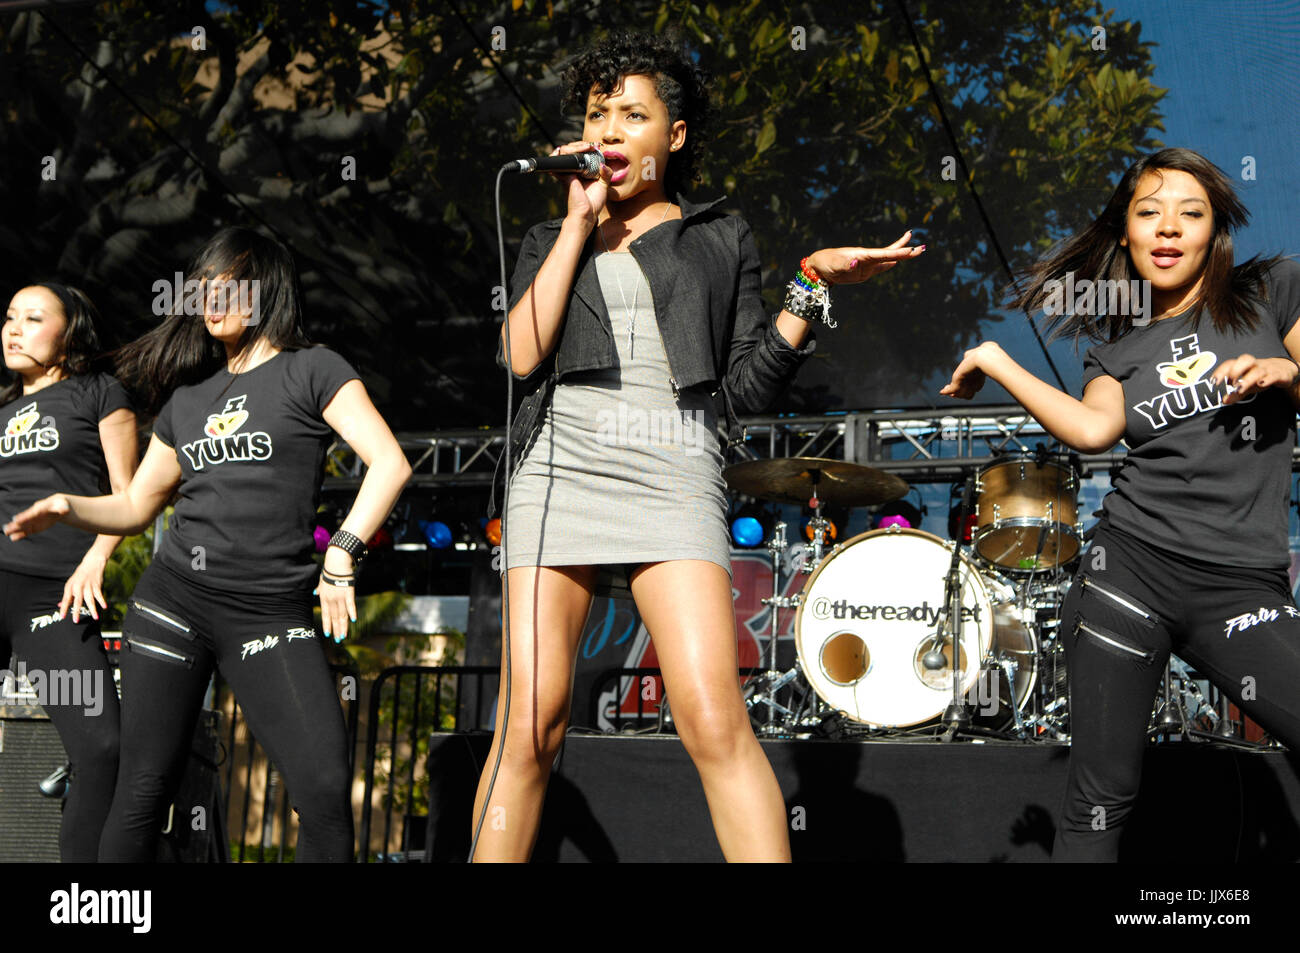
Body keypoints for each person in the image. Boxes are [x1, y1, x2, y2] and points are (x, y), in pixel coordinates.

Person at [476, 31, 924, 862]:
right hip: (557, 475)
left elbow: (746, 391)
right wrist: (578, 225)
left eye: (631, 115)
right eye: (596, 114)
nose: (608, 130)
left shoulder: (720, 237)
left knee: (713, 719)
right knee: (529, 724)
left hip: (675, 474)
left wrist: (812, 286)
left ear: (672, 137)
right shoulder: (550, 236)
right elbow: (519, 354)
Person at [6, 228, 412, 861]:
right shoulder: (186, 401)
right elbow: (137, 505)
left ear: (267, 288)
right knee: (142, 789)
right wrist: (68, 506)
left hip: (268, 610)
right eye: (201, 290)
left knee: (324, 787)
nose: (210, 301)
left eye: (227, 287)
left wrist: (342, 554)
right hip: (172, 603)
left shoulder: (313, 368)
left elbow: (389, 463)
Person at [941, 147, 1300, 861]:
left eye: (1189, 213)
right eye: (1149, 212)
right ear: (1126, 232)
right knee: (1100, 804)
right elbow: (1093, 429)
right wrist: (995, 358)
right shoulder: (1117, 352)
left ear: (1214, 230)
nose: (1168, 228)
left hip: (1241, 582)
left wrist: (1284, 370)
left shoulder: (1273, 291)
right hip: (1127, 577)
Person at [0, 283, 136, 862]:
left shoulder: (99, 393)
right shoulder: (1, 408)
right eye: (8, 317)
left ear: (69, 333)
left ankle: (82, 895)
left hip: (50, 598)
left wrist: (95, 558)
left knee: (101, 745)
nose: (13, 328)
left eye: (33, 318)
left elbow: (130, 499)